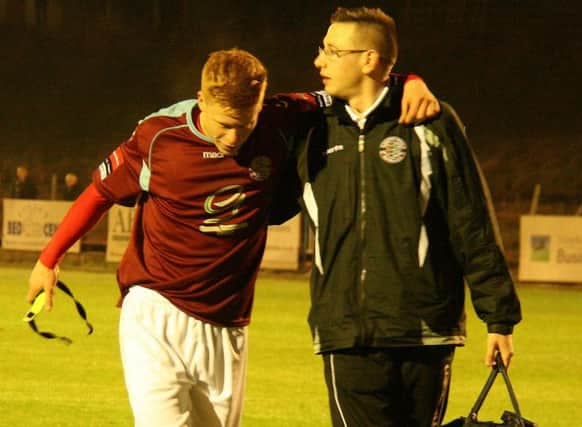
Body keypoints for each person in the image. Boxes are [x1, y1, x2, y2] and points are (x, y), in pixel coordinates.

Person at [26, 48, 439, 427]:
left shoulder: (282, 117)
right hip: (155, 310)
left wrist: (411, 80)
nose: (234, 137)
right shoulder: (160, 136)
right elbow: (99, 192)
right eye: (224, 125)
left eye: (246, 124)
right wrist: (49, 259)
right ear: (201, 100)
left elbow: (355, 86)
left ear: (262, 105)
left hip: (227, 324)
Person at [289, 7, 523, 427]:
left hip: (424, 331)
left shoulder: (430, 121)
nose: (318, 61)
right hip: (346, 333)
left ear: (368, 60)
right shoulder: (311, 128)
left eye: (330, 51)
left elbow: (470, 221)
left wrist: (499, 318)